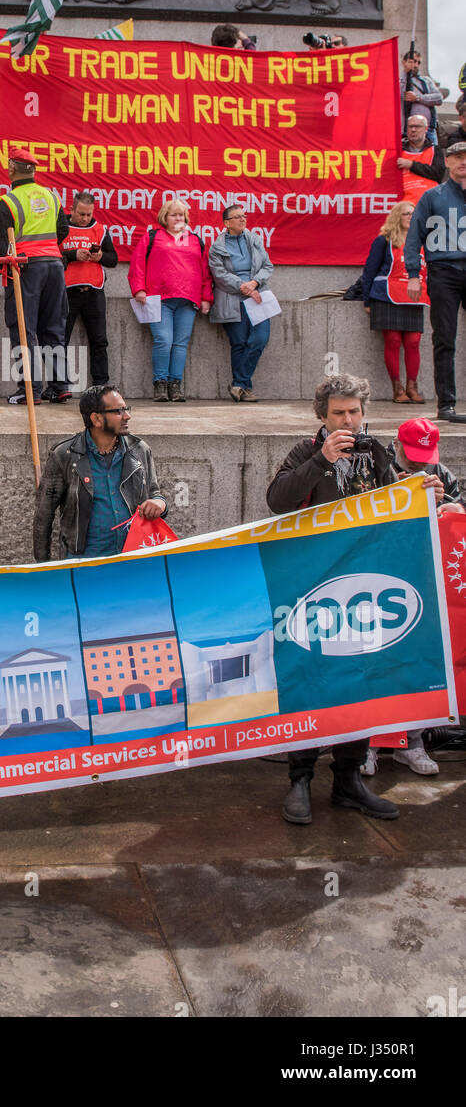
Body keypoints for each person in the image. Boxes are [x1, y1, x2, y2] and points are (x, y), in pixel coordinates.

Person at [267, 374, 400, 826]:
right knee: (311, 679)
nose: (349, 420)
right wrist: (322, 461)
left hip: (365, 589)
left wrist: (427, 497)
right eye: (339, 413)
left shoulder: (379, 452)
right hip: (313, 589)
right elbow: (278, 501)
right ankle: (300, 779)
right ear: (322, 417)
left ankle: (348, 780)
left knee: (357, 681)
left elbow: (396, 506)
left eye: (355, 412)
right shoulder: (305, 452)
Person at [362, 415, 464, 778]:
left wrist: (451, 506)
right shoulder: (373, 464)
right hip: (378, 576)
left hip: (423, 577)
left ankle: (414, 740)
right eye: (414, 452)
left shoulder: (441, 472)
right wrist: (393, 492)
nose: (422, 460)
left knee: (422, 661)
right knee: (378, 658)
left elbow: (458, 511)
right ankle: (370, 743)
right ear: (397, 443)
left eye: (427, 453)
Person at [33, 384, 167, 560]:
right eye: (119, 411)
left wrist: (159, 504)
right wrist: (44, 570)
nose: (127, 416)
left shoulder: (139, 450)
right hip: (83, 565)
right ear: (96, 419)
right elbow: (43, 516)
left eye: (126, 409)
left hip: (133, 561)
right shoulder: (65, 455)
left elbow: (155, 494)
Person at [0, 147, 70, 404]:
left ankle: (29, 389)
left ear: (11, 168)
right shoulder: (51, 196)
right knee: (53, 327)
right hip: (54, 266)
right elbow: (63, 230)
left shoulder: (8, 202)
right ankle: (59, 386)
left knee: (23, 329)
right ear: (33, 170)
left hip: (25, 267)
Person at [404, 140, 466, 422]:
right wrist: (414, 274)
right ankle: (446, 404)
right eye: (457, 158)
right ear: (448, 162)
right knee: (444, 339)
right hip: (444, 270)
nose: (463, 162)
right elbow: (414, 235)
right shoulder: (433, 196)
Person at [128, 200, 212, 402]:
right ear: (164, 218)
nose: (178, 218)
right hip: (159, 298)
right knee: (163, 341)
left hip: (188, 299)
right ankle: (160, 384)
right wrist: (139, 289)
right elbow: (137, 263)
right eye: (174, 215)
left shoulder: (195, 240)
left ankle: (175, 384)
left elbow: (205, 272)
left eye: (181, 215)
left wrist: (206, 298)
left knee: (180, 344)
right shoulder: (152, 237)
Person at [361, 200, 428, 403]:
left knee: (413, 342)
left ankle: (412, 387)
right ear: (397, 216)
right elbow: (370, 270)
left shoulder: (423, 241)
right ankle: (397, 389)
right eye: (406, 213)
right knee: (393, 341)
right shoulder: (384, 240)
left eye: (413, 214)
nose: (410, 217)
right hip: (386, 296)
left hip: (413, 296)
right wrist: (367, 300)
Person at [209, 204, 274, 402]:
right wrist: (243, 286)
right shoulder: (217, 247)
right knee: (239, 343)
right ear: (227, 223)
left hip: (257, 296)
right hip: (232, 298)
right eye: (237, 217)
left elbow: (267, 266)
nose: (243, 219)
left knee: (260, 338)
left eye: (244, 216)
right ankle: (245, 389)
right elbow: (219, 275)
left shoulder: (254, 239)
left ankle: (238, 383)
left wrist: (254, 283)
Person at [61, 191, 118, 389]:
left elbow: (113, 259)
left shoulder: (100, 230)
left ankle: (101, 384)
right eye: (81, 214)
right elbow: (53, 254)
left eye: (89, 214)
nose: (85, 219)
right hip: (67, 292)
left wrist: (100, 256)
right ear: (72, 210)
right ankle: (59, 386)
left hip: (94, 291)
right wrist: (72, 254)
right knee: (60, 340)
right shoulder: (61, 228)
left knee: (100, 340)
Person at [397, 113, 445, 204]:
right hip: (403, 204)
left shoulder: (435, 150)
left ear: (426, 129)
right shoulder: (398, 151)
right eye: (410, 127)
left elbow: (438, 174)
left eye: (417, 126)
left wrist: (411, 165)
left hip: (430, 202)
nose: (413, 130)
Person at [400, 49, 442, 144]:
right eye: (412, 61)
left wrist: (418, 98)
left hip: (429, 131)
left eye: (418, 62)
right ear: (404, 62)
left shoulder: (426, 81)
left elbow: (439, 98)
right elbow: (397, 93)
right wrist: (405, 73)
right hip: (408, 132)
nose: (416, 65)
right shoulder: (398, 80)